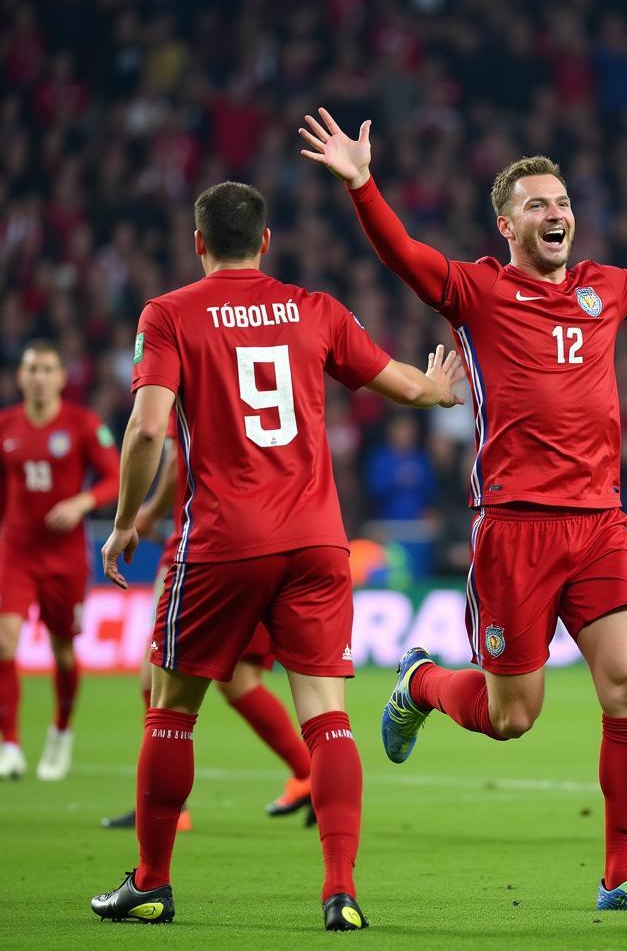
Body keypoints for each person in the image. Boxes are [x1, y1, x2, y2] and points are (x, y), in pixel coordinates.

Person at [299, 107, 627, 912]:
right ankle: (420, 682)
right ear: (506, 223)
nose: (559, 214)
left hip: (600, 523)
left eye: (565, 202)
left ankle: (622, 876)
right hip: (513, 528)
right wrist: (365, 186)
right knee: (513, 719)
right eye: (540, 205)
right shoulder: (476, 289)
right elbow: (406, 259)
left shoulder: (606, 289)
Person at [90, 180, 463, 930]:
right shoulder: (314, 308)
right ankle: (340, 892)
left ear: (198, 244)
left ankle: (152, 883)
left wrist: (127, 519)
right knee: (327, 719)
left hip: (223, 542)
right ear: (266, 241)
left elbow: (145, 431)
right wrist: (437, 390)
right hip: (320, 542)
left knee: (172, 711)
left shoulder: (168, 314)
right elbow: (401, 384)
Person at [101, 418, 316, 832]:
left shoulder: (192, 368)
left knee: (160, 674)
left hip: (205, 542)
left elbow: (170, 455)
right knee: (239, 678)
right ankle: (309, 775)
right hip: (275, 535)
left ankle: (165, 804)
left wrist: (144, 512)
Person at [0, 339, 120, 781]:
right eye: (31, 369)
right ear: (20, 376)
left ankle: (62, 731)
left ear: (61, 377)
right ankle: (9, 743)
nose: (38, 376)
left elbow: (114, 477)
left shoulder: (82, 425)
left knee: (64, 653)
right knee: (4, 643)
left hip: (65, 556)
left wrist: (82, 502)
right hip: (16, 551)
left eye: (47, 369)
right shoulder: (5, 425)